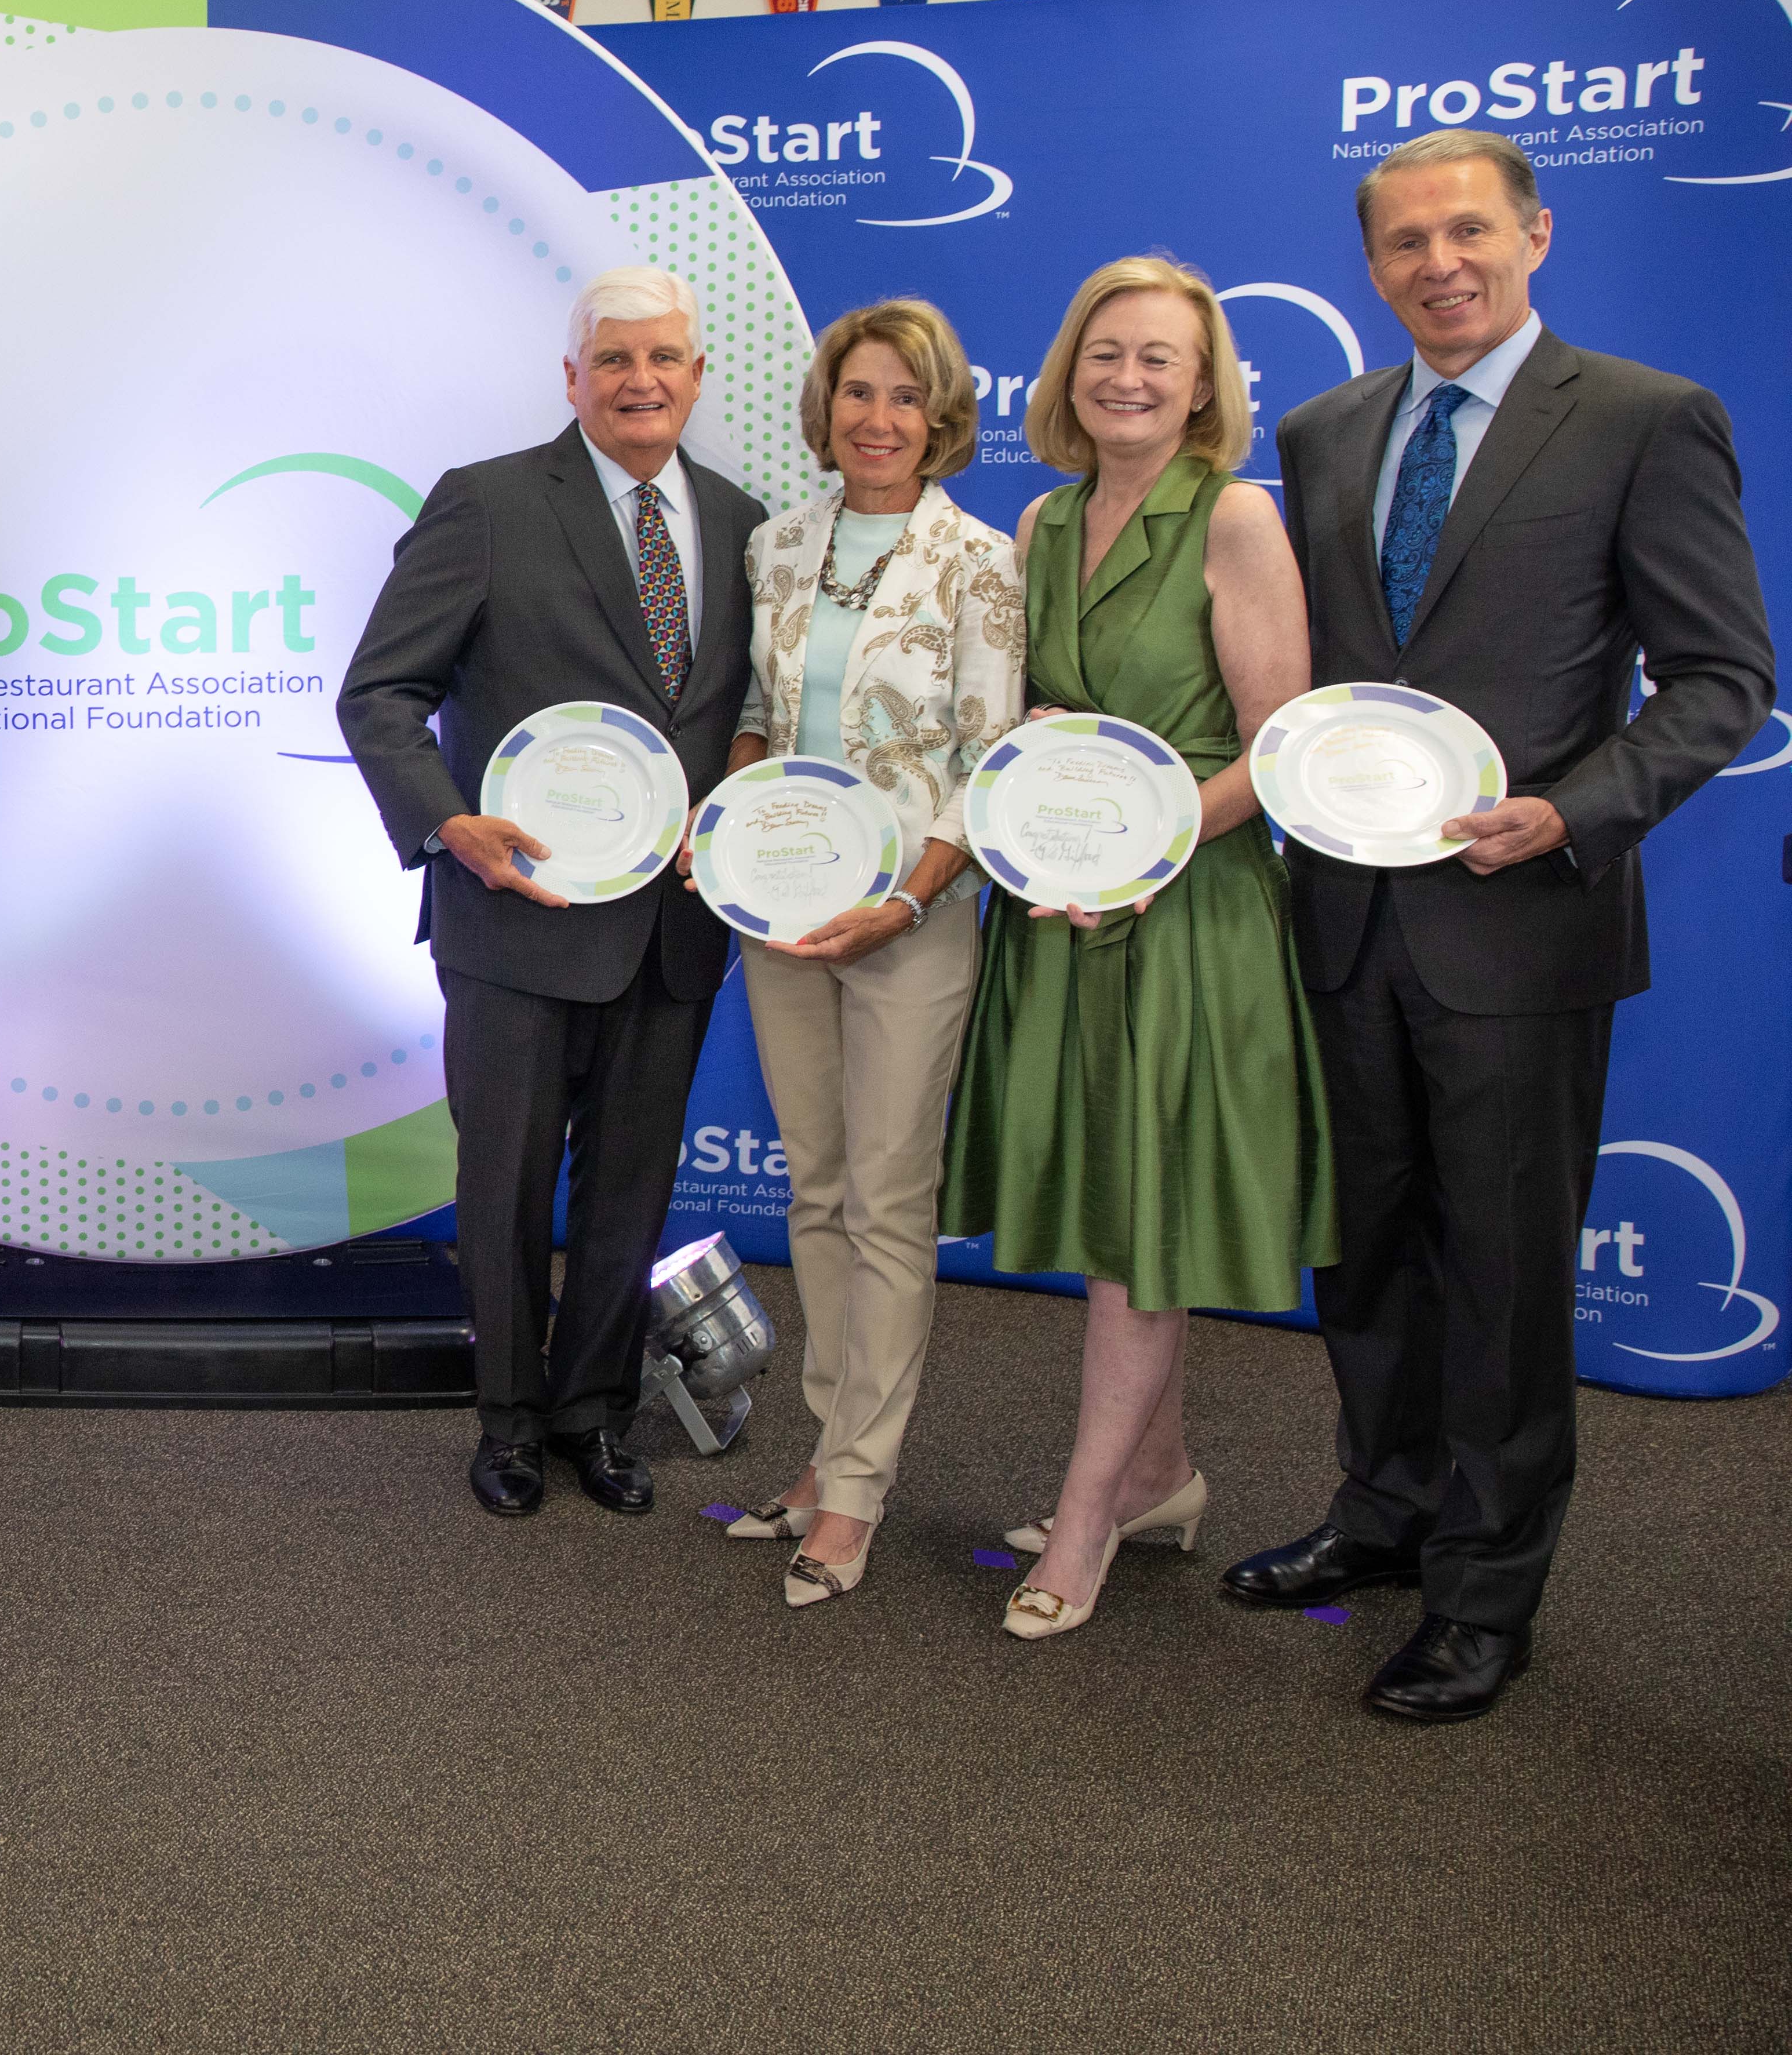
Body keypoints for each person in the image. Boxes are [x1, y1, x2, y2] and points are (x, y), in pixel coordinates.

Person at [1224, 132, 1773, 1723]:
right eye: (1404, 242)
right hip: (1345, 920)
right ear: (1374, 265)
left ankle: (1485, 1594)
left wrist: (1578, 810)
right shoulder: (1326, 435)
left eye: (1468, 230)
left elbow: (1725, 678)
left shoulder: (1647, 419)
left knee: (1510, 1272)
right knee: (1373, 1252)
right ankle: (1383, 1514)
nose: (1438, 263)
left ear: (1536, 234)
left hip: (1523, 922)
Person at [942, 256, 1328, 1643]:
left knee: (1138, 1233)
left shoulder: (1234, 519)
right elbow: (1056, 715)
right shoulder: (1044, 520)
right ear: (1067, 370)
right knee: (1117, 1208)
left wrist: (1144, 861)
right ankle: (1160, 1476)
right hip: (1061, 915)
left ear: (1205, 384)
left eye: (1160, 358)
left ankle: (1092, 1515)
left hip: (1186, 915)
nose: (1129, 378)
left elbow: (1278, 748)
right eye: (1107, 352)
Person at [338, 268, 766, 1523]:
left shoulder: (750, 528)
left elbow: (746, 716)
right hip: (511, 910)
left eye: (666, 358)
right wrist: (444, 822)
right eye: (615, 359)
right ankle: (512, 1421)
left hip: (672, 932)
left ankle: (595, 1414)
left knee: (631, 1192)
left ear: (698, 375)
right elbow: (379, 692)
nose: (643, 380)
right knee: (509, 1187)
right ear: (572, 378)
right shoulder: (486, 503)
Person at [711, 300, 1022, 1605]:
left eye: (904, 396)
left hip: (912, 919)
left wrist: (907, 897)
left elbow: (987, 759)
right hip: (783, 916)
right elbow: (748, 715)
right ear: (824, 407)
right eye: (856, 393)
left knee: (889, 1203)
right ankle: (826, 1446)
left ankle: (857, 1490)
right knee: (819, 1190)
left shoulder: (982, 560)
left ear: (941, 413)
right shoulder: (778, 547)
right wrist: (729, 830)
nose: (878, 418)